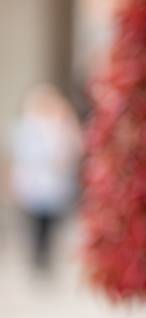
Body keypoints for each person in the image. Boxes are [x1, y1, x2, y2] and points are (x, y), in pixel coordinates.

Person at [8, 84, 82, 271]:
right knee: (35, 222)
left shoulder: (61, 126)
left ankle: (46, 256)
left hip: (54, 184)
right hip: (33, 183)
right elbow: (20, 155)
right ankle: (37, 258)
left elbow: (75, 148)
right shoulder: (27, 126)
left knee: (50, 222)